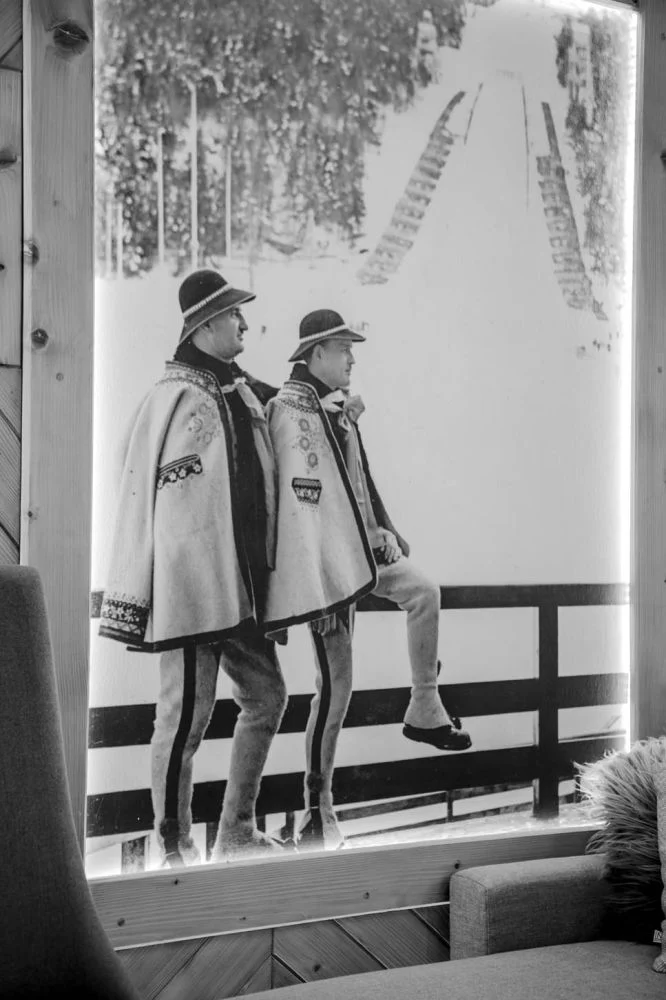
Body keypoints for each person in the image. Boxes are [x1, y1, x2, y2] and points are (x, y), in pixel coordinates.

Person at [99, 269, 288, 867]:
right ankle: (173, 847)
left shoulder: (240, 389)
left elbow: (290, 409)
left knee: (268, 696)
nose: (244, 323)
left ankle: (236, 832)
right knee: (184, 719)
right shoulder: (171, 397)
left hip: (240, 590)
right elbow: (149, 495)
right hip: (189, 592)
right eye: (233, 314)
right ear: (205, 324)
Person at [263, 309, 472, 851]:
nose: (352, 358)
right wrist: (315, 589)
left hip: (364, 554)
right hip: (327, 572)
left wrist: (386, 531)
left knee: (424, 590)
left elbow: (363, 482)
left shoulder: (339, 409)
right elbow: (295, 510)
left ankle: (424, 706)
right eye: (343, 349)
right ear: (316, 353)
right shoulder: (287, 411)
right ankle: (318, 812)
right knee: (336, 689)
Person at [415, 9, 438, 85]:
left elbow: (433, 37)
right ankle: (421, 79)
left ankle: (432, 77)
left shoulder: (432, 28)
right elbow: (418, 38)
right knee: (418, 64)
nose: (426, 20)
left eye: (427, 19)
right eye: (425, 19)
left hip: (429, 50)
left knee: (431, 64)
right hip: (422, 50)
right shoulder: (420, 26)